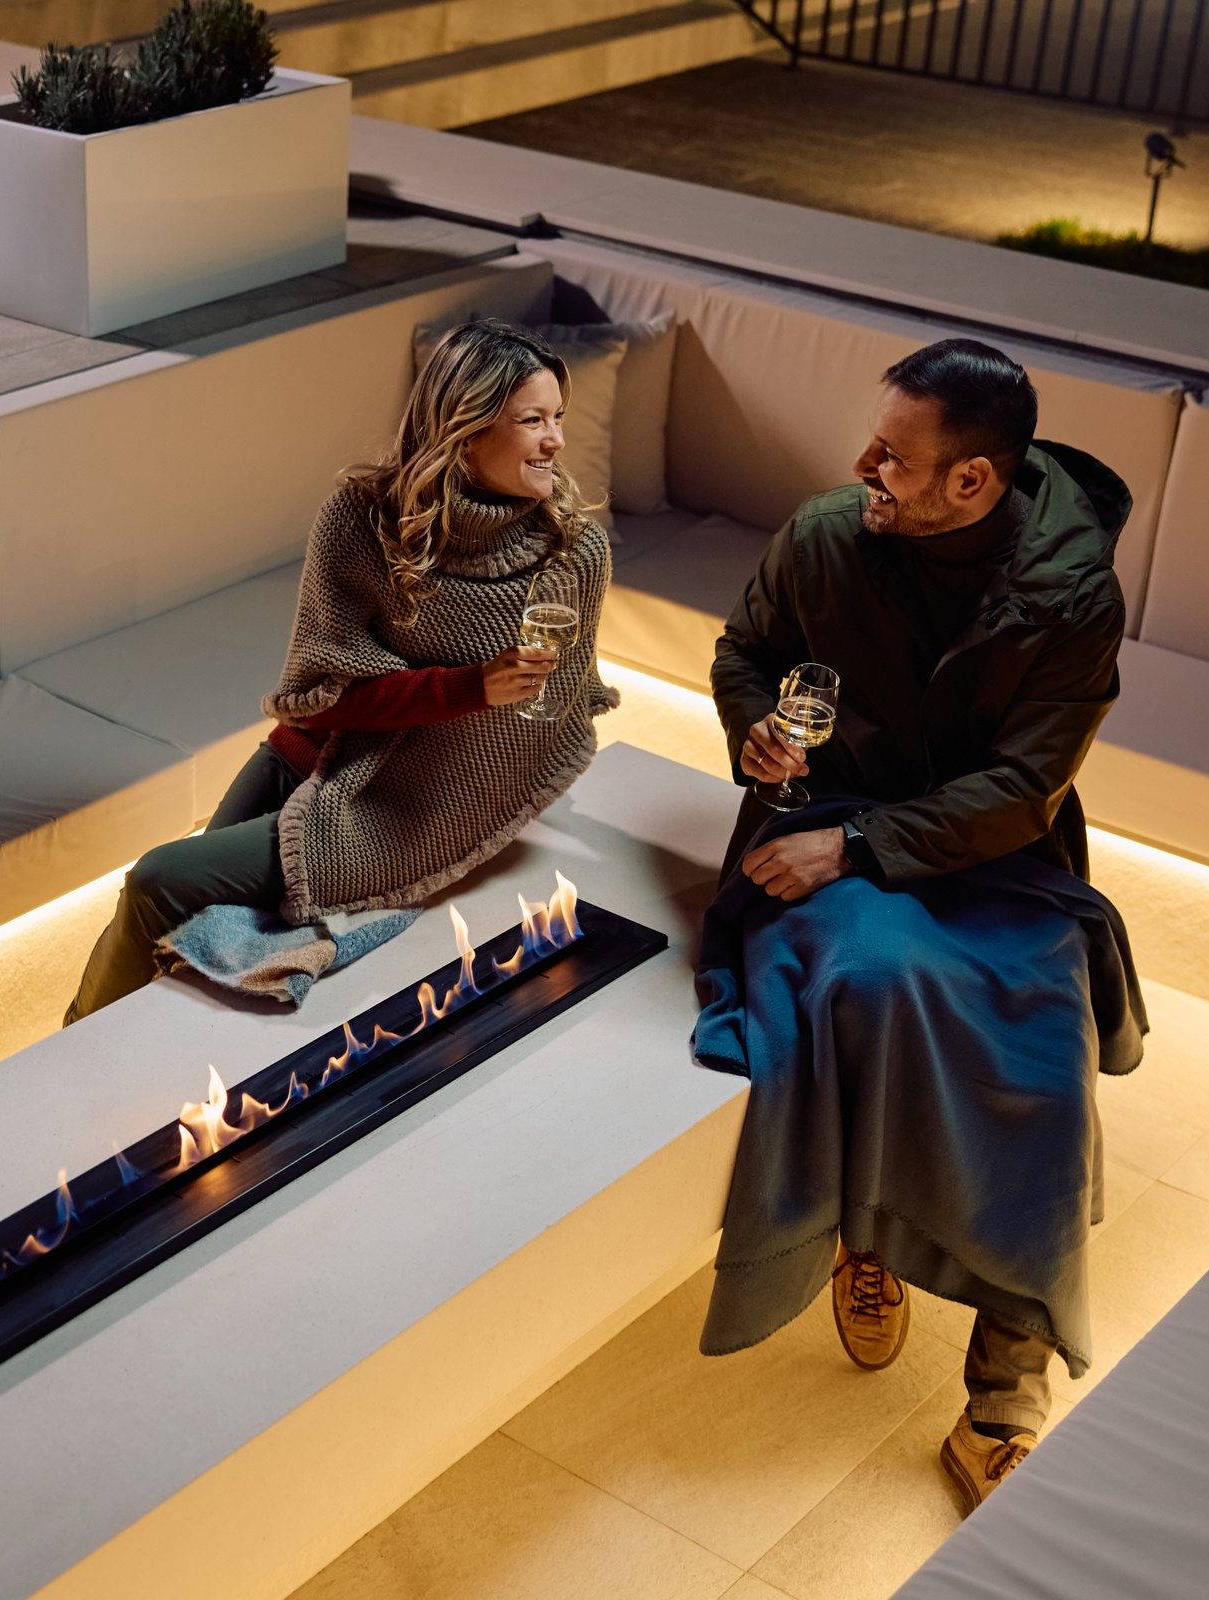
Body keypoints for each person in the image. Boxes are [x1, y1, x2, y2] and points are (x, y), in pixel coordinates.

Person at [703, 338, 1138, 1516]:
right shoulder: (827, 534)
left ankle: (1004, 1391)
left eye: (892, 457)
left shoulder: (1075, 595)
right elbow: (746, 650)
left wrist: (851, 849)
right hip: (827, 820)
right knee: (869, 986)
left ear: (973, 482)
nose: (863, 468)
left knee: (1043, 1057)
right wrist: (757, 732)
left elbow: (1021, 791)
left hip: (991, 856)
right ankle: (869, 1236)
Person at [64, 318, 618, 1023]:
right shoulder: (361, 518)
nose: (556, 441)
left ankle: (77, 1038)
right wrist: (467, 687)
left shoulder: (573, 552)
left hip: (395, 807)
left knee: (155, 882)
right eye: (533, 420)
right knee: (180, 923)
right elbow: (318, 698)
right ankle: (86, 1041)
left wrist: (488, 717)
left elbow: (536, 728)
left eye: (558, 418)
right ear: (467, 428)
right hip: (300, 762)